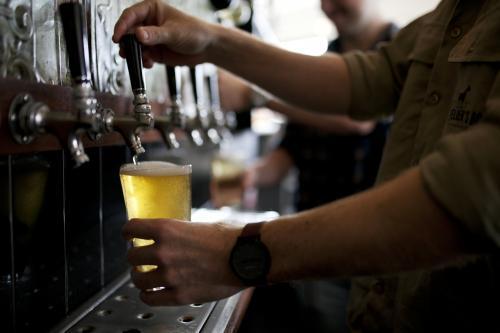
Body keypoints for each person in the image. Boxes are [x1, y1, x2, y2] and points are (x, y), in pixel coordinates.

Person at [113, 0, 500, 332]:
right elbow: (367, 79)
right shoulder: (456, 12)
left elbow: (471, 193)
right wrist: (213, 40)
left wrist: (237, 252)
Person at [214, 2, 396, 331]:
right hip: (313, 245)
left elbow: (359, 119)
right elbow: (292, 149)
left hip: (375, 251)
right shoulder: (326, 58)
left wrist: (255, 95)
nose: (328, 5)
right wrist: (253, 174)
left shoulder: (399, 50)